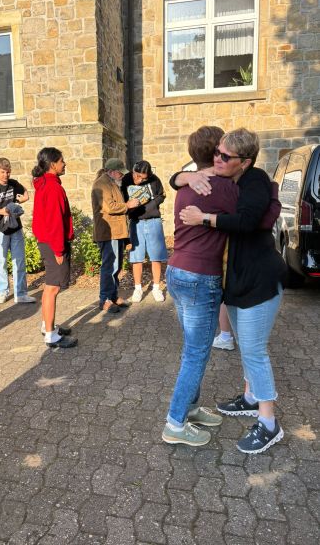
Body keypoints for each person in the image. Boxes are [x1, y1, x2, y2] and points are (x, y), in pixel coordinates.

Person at [179, 128, 287, 454]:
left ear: (246, 161)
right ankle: (251, 397)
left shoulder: (255, 180)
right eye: (217, 152)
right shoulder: (230, 179)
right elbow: (176, 179)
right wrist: (185, 176)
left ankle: (269, 423)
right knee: (246, 347)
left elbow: (249, 222)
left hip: (261, 280)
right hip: (239, 280)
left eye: (225, 156)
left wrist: (204, 218)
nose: (218, 158)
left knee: (255, 351)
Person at [162, 126, 238, 447]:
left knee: (193, 348)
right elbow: (250, 215)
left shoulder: (188, 184)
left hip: (177, 271)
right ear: (217, 152)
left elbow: (175, 180)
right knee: (196, 353)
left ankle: (190, 409)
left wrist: (181, 175)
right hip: (200, 277)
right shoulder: (222, 187)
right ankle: (175, 423)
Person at [32, 147, 77, 348]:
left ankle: (47, 325)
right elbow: (55, 222)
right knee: (52, 288)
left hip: (47, 242)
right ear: (52, 164)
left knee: (51, 287)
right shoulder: (52, 187)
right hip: (53, 244)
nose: (64, 164)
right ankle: (50, 335)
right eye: (61, 161)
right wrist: (59, 250)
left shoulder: (45, 184)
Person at [0, 157, 36, 305]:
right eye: (2, 172)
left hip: (15, 228)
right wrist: (0, 211)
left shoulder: (13, 184)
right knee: (1, 262)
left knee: (19, 260)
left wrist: (22, 199)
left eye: (8, 172)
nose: (6, 175)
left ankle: (21, 294)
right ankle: (3, 291)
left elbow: (25, 193)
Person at [91, 158, 139, 313]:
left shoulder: (111, 183)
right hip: (108, 232)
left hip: (115, 232)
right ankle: (105, 299)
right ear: (111, 171)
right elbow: (109, 207)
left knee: (116, 266)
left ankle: (112, 296)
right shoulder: (101, 184)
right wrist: (128, 205)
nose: (122, 176)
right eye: (120, 173)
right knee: (109, 267)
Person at [121, 160, 167, 303]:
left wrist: (149, 206)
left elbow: (161, 195)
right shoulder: (126, 179)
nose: (140, 179)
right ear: (133, 171)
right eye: (138, 176)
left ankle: (156, 288)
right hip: (136, 222)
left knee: (156, 256)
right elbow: (122, 199)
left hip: (154, 221)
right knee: (136, 257)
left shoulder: (154, 179)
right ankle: (138, 288)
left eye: (143, 178)